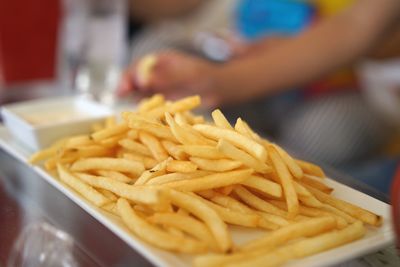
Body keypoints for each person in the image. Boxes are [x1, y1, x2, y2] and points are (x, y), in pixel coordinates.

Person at [119, 0, 400, 173]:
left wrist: (222, 80)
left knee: (323, 133)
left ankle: (238, 170)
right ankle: (192, 160)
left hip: (342, 86)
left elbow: (359, 28)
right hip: (245, 65)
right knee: (153, 51)